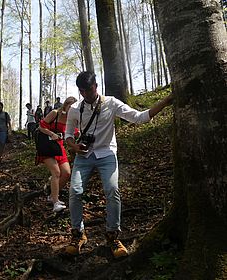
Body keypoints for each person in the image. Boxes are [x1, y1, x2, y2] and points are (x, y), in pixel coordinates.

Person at [65, 71, 173, 257]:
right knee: (75, 191)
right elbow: (67, 135)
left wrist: (165, 101)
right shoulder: (75, 109)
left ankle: (113, 235)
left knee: (112, 189)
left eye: (89, 90)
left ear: (96, 86)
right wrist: (74, 146)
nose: (86, 95)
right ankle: (78, 234)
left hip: (107, 154)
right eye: (82, 91)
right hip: (84, 156)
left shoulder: (111, 103)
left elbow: (139, 117)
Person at [37, 96, 78, 212]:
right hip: (47, 147)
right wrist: (51, 134)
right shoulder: (55, 113)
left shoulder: (73, 119)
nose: (72, 109)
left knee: (66, 173)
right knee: (56, 172)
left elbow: (73, 132)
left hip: (59, 148)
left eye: (74, 107)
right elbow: (41, 126)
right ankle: (56, 202)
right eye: (70, 106)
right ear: (65, 105)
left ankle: (52, 195)